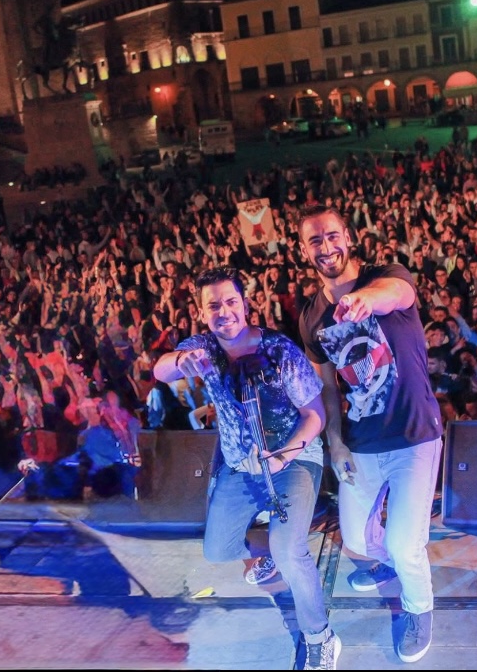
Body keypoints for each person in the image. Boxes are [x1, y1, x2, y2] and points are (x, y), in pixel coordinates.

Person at [153, 266, 340, 671]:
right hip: (241, 465)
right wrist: (182, 360)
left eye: (231, 301)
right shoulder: (203, 347)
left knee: (291, 552)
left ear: (245, 303)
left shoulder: (279, 349)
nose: (224, 311)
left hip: (293, 458)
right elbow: (160, 370)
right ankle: (270, 549)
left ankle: (321, 636)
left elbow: (314, 415)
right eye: (213, 305)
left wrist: (286, 454)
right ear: (203, 312)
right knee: (217, 549)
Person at [296, 204, 442, 664]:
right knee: (357, 539)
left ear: (349, 237)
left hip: (414, 431)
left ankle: (419, 610)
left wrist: (365, 303)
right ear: (304, 251)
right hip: (361, 441)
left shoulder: (386, 275)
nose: (326, 247)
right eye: (315, 240)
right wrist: (334, 441)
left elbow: (395, 294)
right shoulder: (311, 317)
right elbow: (327, 388)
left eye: (332, 236)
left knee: (404, 542)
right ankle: (387, 565)